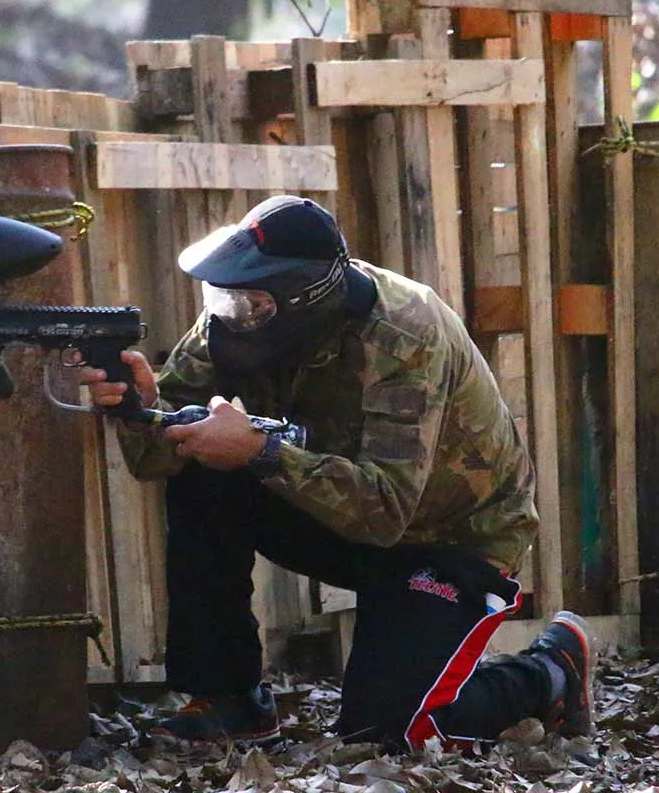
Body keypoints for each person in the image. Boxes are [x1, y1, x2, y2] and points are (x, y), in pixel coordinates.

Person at [81, 194, 598, 750]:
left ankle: (552, 670)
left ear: (302, 301)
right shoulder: (236, 324)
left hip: (453, 540)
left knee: (392, 731)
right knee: (205, 468)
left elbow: (386, 514)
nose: (228, 313)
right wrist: (142, 408)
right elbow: (158, 460)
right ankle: (230, 699)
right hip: (344, 519)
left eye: (248, 301)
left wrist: (260, 451)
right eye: (222, 297)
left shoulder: (404, 335)